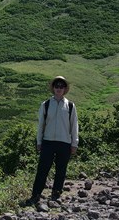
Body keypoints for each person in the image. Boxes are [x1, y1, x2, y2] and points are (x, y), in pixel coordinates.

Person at [25, 75, 79, 205]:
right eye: (56, 86)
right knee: (42, 169)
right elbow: (41, 125)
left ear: (65, 88)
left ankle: (56, 194)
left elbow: (74, 125)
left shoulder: (70, 106)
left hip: (64, 142)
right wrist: (39, 141)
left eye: (61, 86)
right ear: (53, 88)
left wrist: (74, 143)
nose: (59, 88)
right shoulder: (46, 104)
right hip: (48, 141)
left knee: (61, 169)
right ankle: (36, 194)